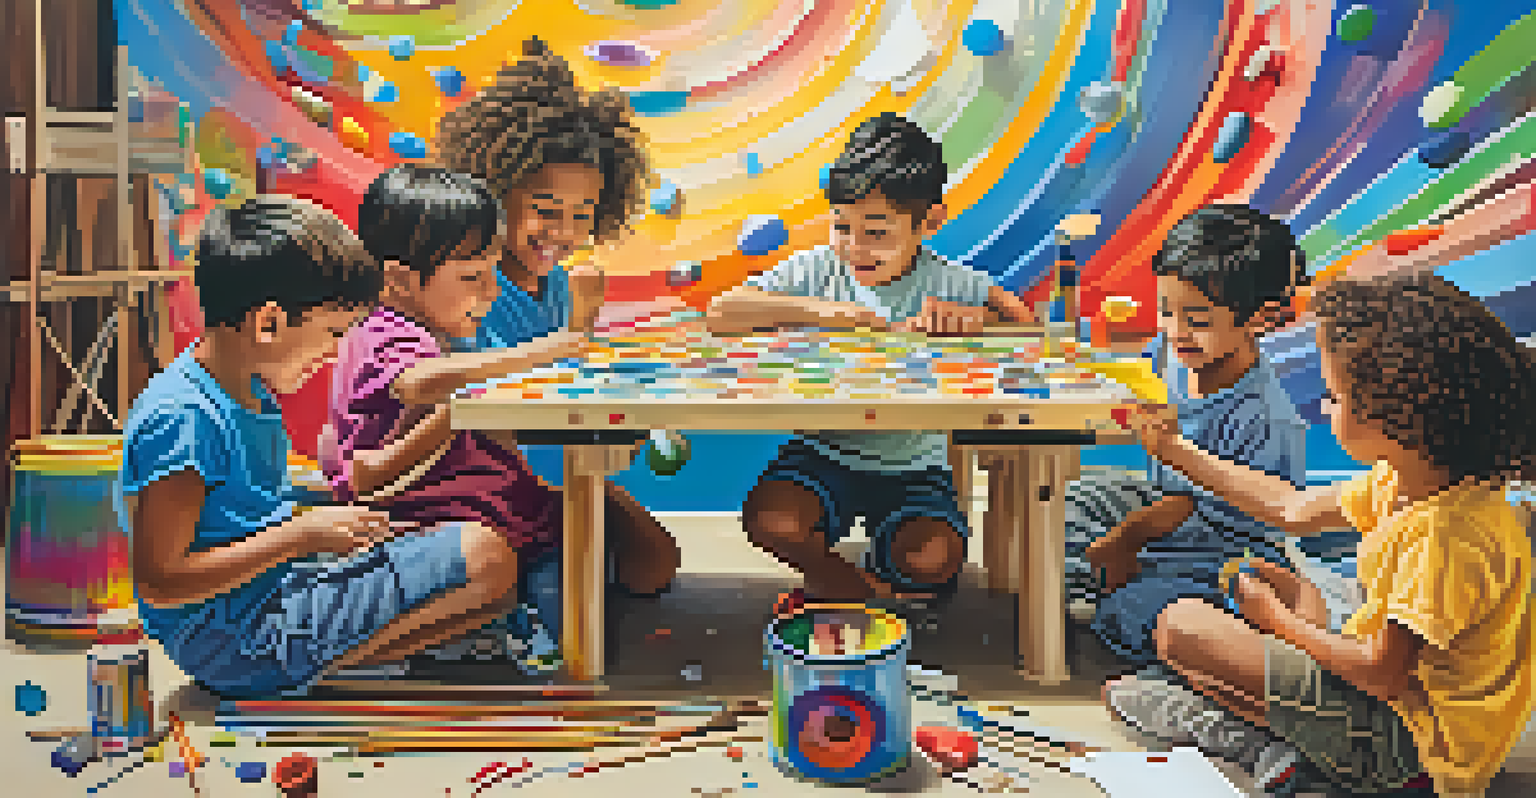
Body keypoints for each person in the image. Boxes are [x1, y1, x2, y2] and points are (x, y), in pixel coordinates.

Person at [1114, 272, 1536, 797]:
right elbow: (1290, 507)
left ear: (1400, 420)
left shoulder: (1447, 536)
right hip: (1394, 702)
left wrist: (1278, 622)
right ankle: (1276, 732)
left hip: (1411, 749)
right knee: (1228, 618)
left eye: (1333, 397)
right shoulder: (1412, 479)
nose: (1322, 407)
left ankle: (1265, 746)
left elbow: (1381, 673)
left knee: (1181, 629)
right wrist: (1176, 451)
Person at [119, 197, 521, 698]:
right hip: (233, 635)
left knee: (493, 569)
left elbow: (247, 513)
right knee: (483, 556)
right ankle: (307, 670)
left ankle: (327, 662)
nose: (334, 354)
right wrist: (302, 535)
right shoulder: (183, 417)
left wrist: (324, 520)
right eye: (333, 333)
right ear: (268, 323)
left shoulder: (246, 390)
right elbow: (161, 580)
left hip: (275, 591)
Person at [707, 112, 1034, 610]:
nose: (854, 247)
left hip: (914, 466)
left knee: (933, 559)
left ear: (929, 222)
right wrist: (825, 312)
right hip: (822, 452)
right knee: (771, 521)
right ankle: (859, 590)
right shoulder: (817, 270)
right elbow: (722, 312)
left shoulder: (946, 280)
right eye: (842, 227)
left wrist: (978, 320)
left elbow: (1028, 327)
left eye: (876, 233)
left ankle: (876, 569)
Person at [433, 37, 679, 593]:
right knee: (574, 587)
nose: (564, 233)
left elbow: (568, 379)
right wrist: (581, 331)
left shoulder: (560, 285)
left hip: (538, 469)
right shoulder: (470, 284)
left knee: (653, 566)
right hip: (471, 479)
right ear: (496, 193)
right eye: (546, 211)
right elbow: (483, 405)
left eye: (582, 215)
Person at [1062, 205, 1310, 666]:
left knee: (1139, 612)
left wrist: (1125, 540)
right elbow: (1135, 383)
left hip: (1226, 546)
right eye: (1166, 311)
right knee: (1064, 501)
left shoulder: (1267, 419)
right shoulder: (1173, 353)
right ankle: (1100, 578)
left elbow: (1191, 508)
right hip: (1161, 509)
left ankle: (1122, 592)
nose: (1175, 332)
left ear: (1259, 318)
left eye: (1197, 319)